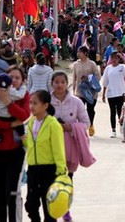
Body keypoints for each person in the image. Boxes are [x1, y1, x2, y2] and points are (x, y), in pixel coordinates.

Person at [0, 65, 30, 222]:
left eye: (18, 78)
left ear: (22, 81)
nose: (14, 80)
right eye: (12, 77)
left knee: (12, 193)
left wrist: (8, 102)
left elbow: (23, 115)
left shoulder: (24, 96)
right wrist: (10, 125)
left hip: (15, 151)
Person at [50, 71, 92, 222]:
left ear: (66, 83)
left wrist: (71, 127)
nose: (59, 85)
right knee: (52, 181)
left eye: (62, 82)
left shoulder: (76, 102)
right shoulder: (45, 101)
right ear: (52, 84)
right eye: (56, 82)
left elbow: (86, 123)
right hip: (51, 148)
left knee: (67, 181)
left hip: (70, 148)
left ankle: (66, 210)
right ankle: (52, 211)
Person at [23, 90, 67, 222]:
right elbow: (31, 144)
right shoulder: (31, 123)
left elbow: (58, 149)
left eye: (35, 103)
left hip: (49, 170)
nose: (31, 106)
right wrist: (23, 139)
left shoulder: (53, 124)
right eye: (30, 103)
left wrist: (61, 170)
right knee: (31, 204)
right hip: (33, 169)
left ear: (45, 105)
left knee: (49, 206)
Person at [72, 46, 101, 137]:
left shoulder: (92, 63)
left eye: (80, 52)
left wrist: (88, 78)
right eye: (78, 52)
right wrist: (74, 89)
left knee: (90, 109)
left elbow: (98, 75)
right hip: (80, 91)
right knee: (80, 111)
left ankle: (91, 125)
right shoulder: (76, 64)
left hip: (91, 91)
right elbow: (74, 78)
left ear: (85, 53)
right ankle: (81, 128)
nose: (78, 54)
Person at [101, 51, 125, 138]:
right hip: (111, 93)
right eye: (112, 58)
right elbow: (105, 81)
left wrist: (122, 57)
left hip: (120, 93)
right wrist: (103, 94)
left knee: (120, 111)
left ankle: (121, 124)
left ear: (118, 59)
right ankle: (113, 130)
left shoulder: (122, 67)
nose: (114, 60)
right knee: (112, 111)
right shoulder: (108, 68)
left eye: (116, 58)